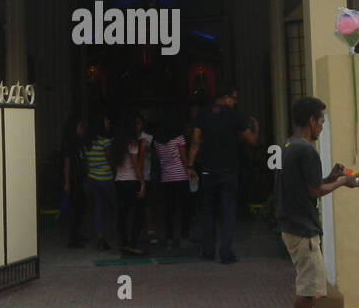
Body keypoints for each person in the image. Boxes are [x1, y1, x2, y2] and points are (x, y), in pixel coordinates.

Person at [277, 95, 359, 308]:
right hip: (303, 229)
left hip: (292, 224)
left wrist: (331, 178)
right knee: (308, 290)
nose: (323, 126)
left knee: (311, 285)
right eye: (321, 121)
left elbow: (309, 186)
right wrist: (344, 183)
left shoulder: (291, 146)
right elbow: (315, 191)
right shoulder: (307, 151)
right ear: (312, 121)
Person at [186, 84, 258, 263]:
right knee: (228, 210)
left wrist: (190, 165)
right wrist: (255, 128)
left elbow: (196, 141)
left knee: (208, 210)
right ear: (225, 98)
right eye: (233, 98)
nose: (235, 101)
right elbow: (251, 141)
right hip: (228, 169)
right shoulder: (234, 115)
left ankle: (208, 251)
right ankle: (226, 253)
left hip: (208, 169)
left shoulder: (203, 114)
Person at [110, 112, 151, 254]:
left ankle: (124, 243)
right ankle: (133, 243)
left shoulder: (115, 143)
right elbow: (135, 164)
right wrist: (142, 183)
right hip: (132, 181)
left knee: (122, 214)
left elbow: (113, 162)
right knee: (138, 213)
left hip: (119, 181)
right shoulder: (132, 142)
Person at [154, 112, 190, 251]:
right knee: (184, 209)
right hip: (181, 176)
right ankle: (184, 237)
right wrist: (189, 169)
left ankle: (169, 238)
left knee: (169, 210)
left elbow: (159, 159)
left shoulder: (157, 141)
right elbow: (183, 157)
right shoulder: (179, 138)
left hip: (166, 177)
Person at [84, 115, 116, 252]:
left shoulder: (87, 144)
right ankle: (115, 235)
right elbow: (110, 159)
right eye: (106, 120)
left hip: (92, 178)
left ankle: (100, 237)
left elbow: (86, 162)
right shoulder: (105, 142)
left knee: (98, 209)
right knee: (115, 206)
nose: (108, 122)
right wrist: (115, 170)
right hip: (106, 178)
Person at [60, 115, 88, 248]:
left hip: (80, 179)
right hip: (73, 180)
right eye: (80, 127)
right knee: (77, 209)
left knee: (82, 207)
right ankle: (73, 237)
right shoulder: (68, 144)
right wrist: (67, 183)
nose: (82, 130)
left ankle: (77, 234)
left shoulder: (79, 142)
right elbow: (67, 165)